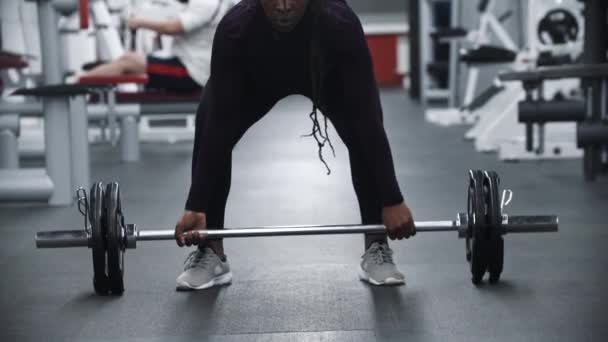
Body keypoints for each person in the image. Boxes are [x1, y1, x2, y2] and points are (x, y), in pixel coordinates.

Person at [173, 0, 417, 290]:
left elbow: (367, 119)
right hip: (257, 81)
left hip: (327, 78)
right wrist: (196, 204)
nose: (284, 6)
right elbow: (219, 125)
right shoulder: (234, 29)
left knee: (361, 130)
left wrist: (392, 199)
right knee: (209, 118)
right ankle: (211, 249)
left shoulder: (340, 23)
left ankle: (377, 244)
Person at [82, 0, 234, 92]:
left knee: (129, 63)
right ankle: (82, 85)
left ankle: (75, 87)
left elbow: (172, 28)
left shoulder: (208, 3)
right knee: (129, 58)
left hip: (192, 73)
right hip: (188, 64)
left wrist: (139, 22)